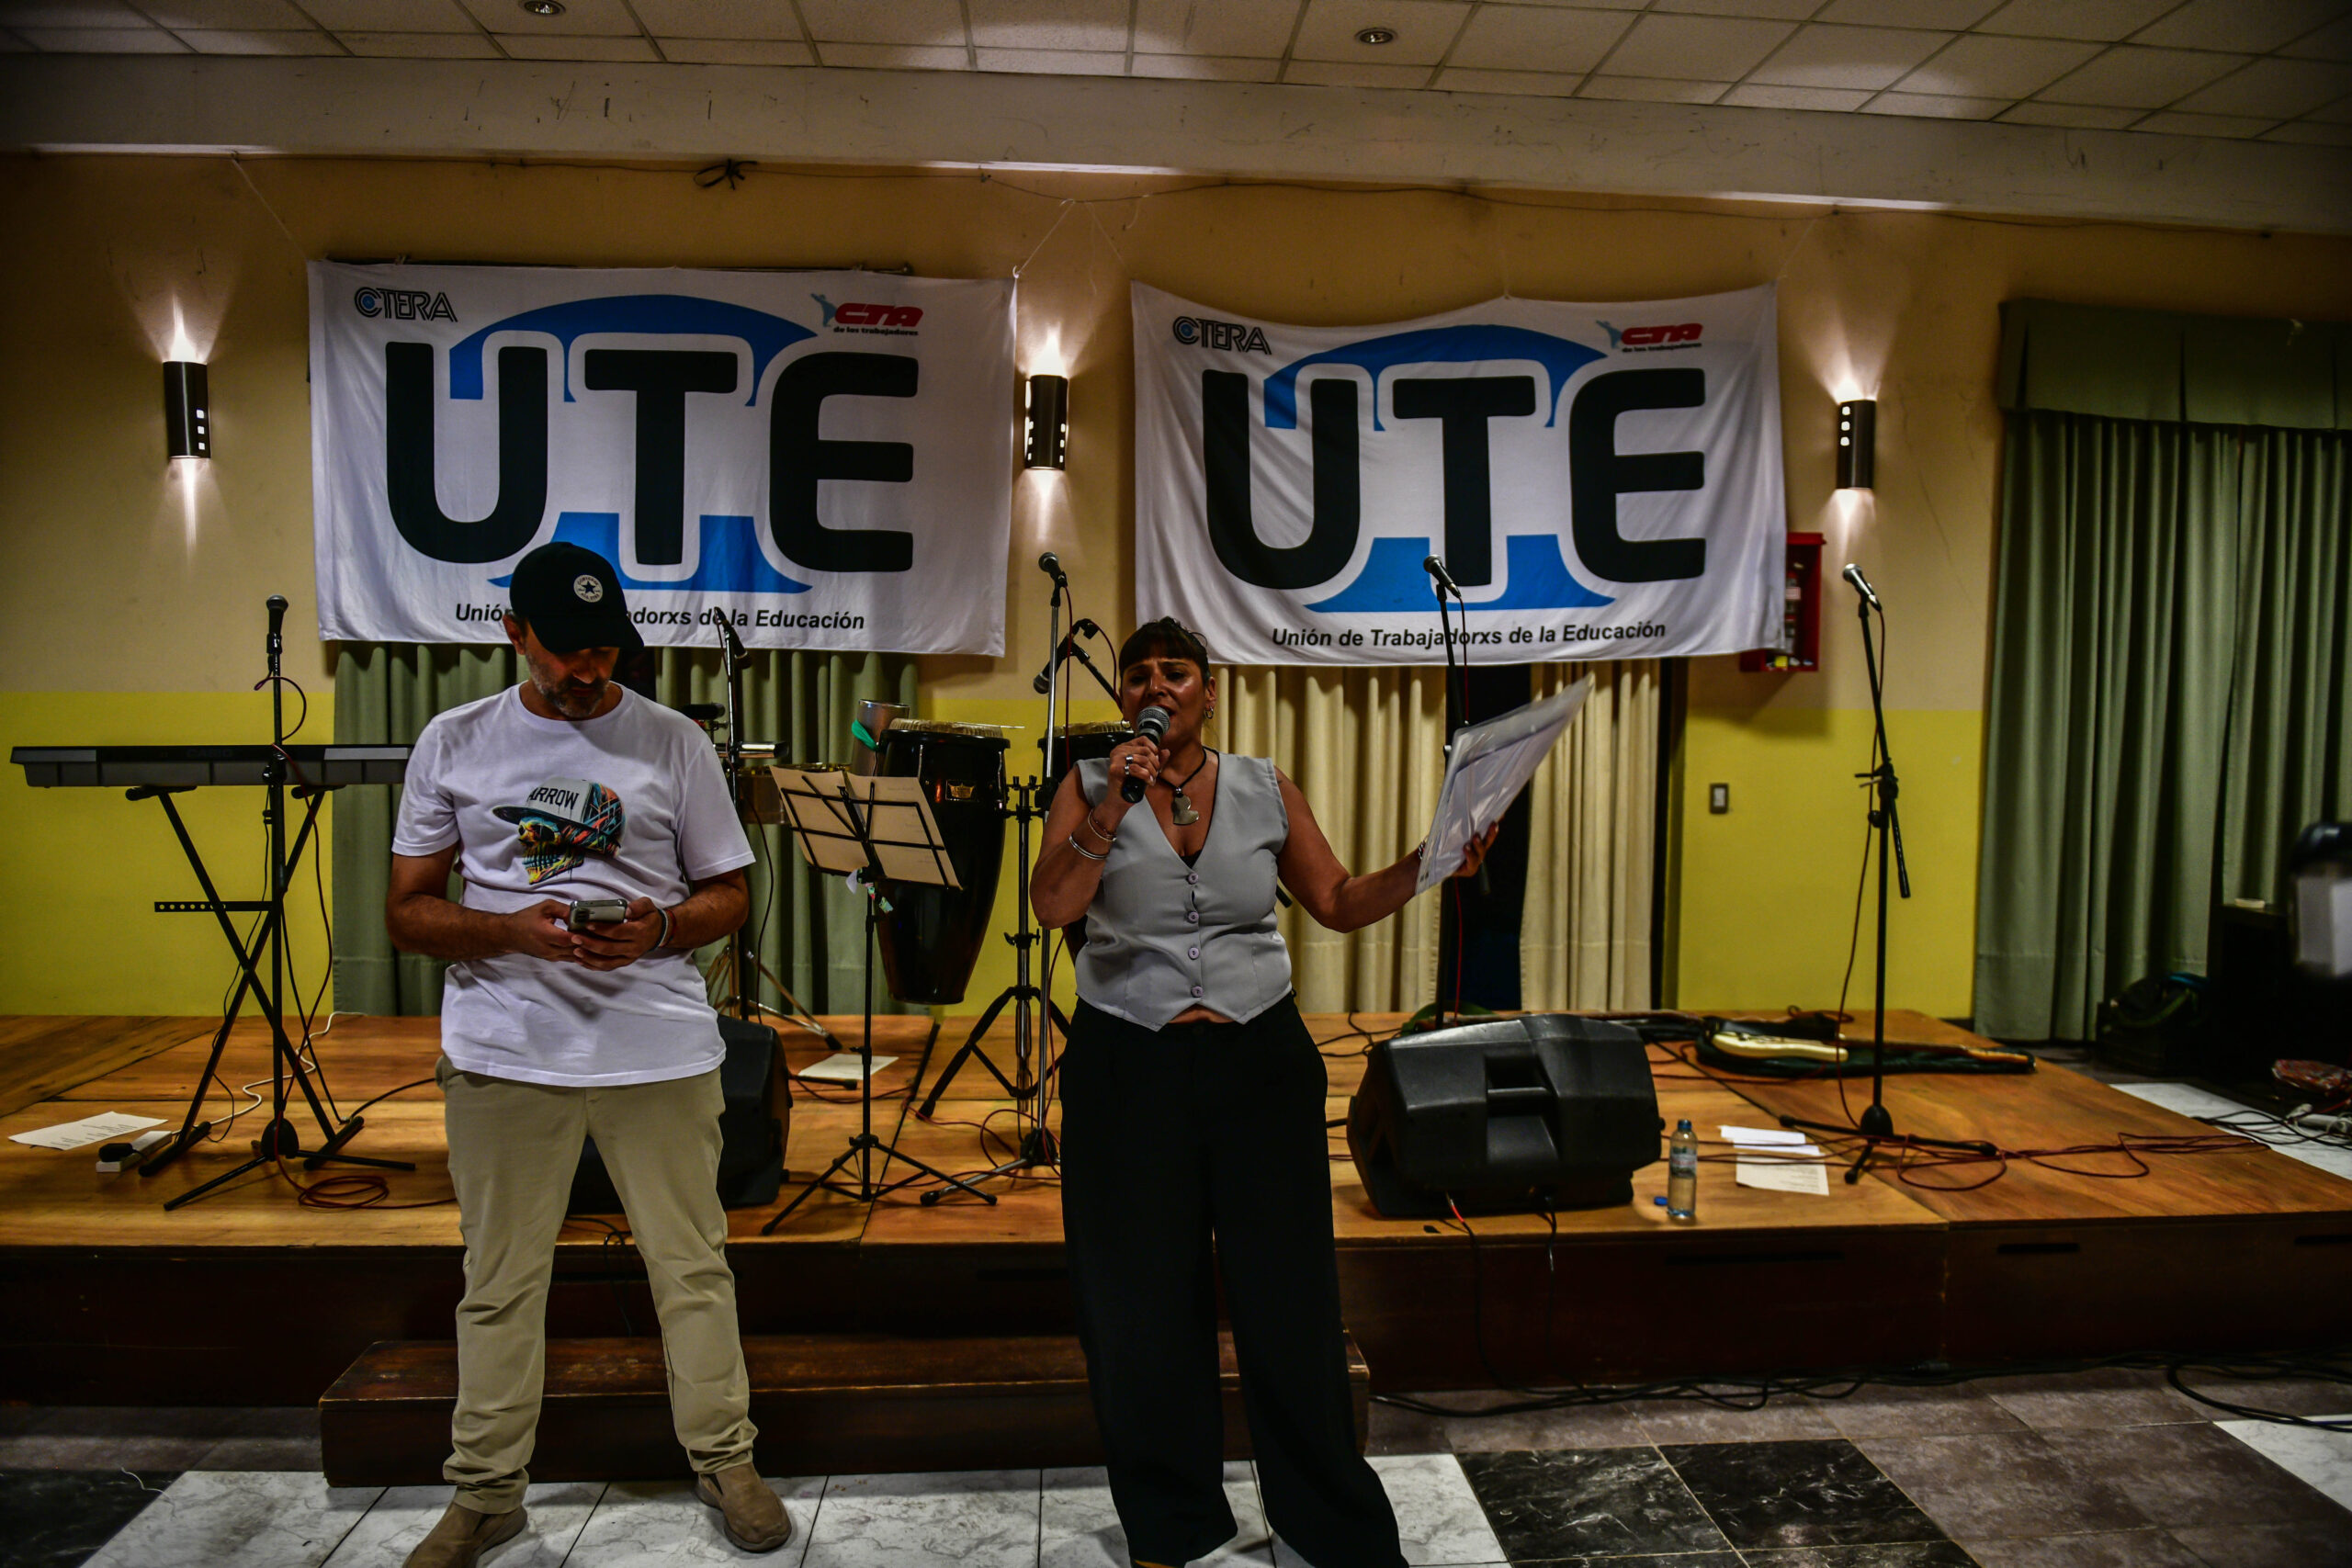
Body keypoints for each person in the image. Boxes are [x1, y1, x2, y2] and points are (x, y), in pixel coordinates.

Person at [1031, 616, 1496, 1568]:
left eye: (1175, 672)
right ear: (1121, 696)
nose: (1155, 687)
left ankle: (1325, 1518)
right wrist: (1112, 808)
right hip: (1129, 1065)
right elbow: (1051, 905)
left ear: (1209, 692)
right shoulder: (1086, 785)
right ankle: (1170, 1520)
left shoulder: (1263, 785)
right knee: (1140, 1305)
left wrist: (1427, 863)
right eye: (1138, 675)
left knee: (1289, 1297)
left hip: (1259, 1063)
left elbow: (1336, 900)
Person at [384, 542, 791, 1566]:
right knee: (500, 1281)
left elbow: (730, 893)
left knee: (691, 1267)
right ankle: (486, 1493)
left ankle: (726, 1460)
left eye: (604, 647)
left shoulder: (672, 741)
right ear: (514, 632)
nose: (588, 667)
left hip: (657, 1047)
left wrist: (661, 928)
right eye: (566, 648)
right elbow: (408, 911)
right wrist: (509, 931)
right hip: (505, 1049)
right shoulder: (455, 740)